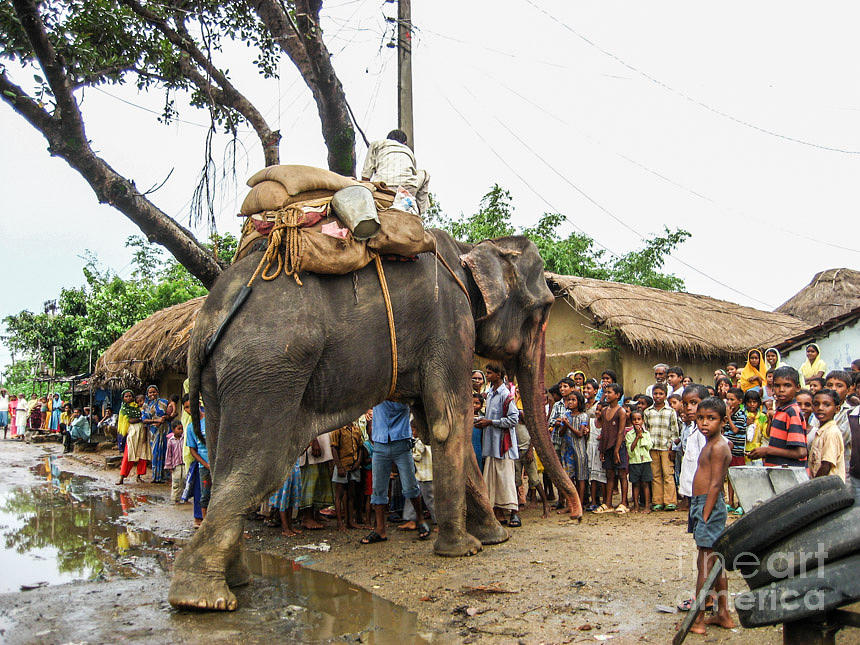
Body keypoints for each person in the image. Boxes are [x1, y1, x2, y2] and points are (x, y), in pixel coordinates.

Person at [689, 396, 734, 635]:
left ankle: (697, 619)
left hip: (709, 506)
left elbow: (717, 484)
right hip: (702, 503)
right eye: (700, 418)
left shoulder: (719, 447)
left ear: (723, 421)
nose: (704, 423)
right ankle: (723, 613)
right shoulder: (709, 443)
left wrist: (705, 514)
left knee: (705, 565)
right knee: (710, 561)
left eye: (711, 419)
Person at [361, 400, 429, 544]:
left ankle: (420, 520)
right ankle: (380, 530)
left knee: (410, 486)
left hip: (401, 442)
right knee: (378, 489)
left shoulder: (403, 393)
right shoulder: (379, 391)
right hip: (380, 443)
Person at [478, 364, 522, 527]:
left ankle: (514, 513)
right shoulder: (489, 394)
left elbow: (513, 419)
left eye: (489, 373)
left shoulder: (506, 395)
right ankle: (497, 513)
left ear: (498, 375)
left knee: (506, 480)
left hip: (504, 445)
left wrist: (491, 422)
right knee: (493, 480)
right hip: (491, 445)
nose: (487, 375)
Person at [748, 366, 807, 467]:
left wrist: (767, 451)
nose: (781, 390)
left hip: (788, 475)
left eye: (787, 385)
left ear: (797, 388)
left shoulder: (791, 412)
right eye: (777, 386)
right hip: (779, 473)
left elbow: (800, 452)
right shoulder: (780, 411)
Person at [361, 129, 430, 214]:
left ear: (387, 139)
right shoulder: (408, 151)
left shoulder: (376, 144)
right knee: (425, 174)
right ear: (404, 143)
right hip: (407, 189)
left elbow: (366, 176)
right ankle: (419, 213)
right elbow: (413, 174)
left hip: (383, 187)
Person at [644, 382, 680, 511]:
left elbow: (674, 432)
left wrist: (672, 448)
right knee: (655, 475)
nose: (658, 396)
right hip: (653, 448)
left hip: (666, 448)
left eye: (661, 394)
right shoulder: (648, 412)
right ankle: (657, 501)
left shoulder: (670, 412)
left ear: (665, 395)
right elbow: (645, 430)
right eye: (655, 393)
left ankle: (670, 501)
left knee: (668, 474)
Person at [595, 383, 627, 513]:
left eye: (609, 392)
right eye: (605, 392)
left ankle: (624, 502)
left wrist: (616, 450)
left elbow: (620, 432)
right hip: (607, 446)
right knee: (609, 474)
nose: (606, 395)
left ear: (618, 395)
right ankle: (607, 503)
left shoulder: (621, 412)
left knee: (622, 474)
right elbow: (604, 431)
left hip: (618, 447)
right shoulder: (604, 411)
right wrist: (602, 449)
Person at [329, 422, 364, 531]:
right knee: (339, 495)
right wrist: (339, 466)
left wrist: (358, 462)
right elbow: (334, 448)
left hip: (353, 465)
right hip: (342, 465)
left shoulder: (356, 429)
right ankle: (340, 522)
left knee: (351, 494)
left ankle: (350, 521)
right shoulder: (338, 429)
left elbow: (360, 448)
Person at [560, 390, 589, 510]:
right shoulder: (566, 415)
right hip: (567, 449)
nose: (570, 402)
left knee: (580, 477)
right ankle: (570, 505)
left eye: (573, 400)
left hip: (579, 450)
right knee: (568, 477)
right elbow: (561, 433)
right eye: (569, 400)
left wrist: (568, 425)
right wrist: (563, 425)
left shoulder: (583, 416)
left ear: (579, 402)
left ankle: (579, 504)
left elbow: (580, 434)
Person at [183, 394, 210, 519]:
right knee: (204, 495)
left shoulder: (210, 420)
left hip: (218, 464)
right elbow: (193, 450)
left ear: (199, 404)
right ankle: (205, 523)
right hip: (203, 465)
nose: (190, 410)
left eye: (191, 405)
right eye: (187, 408)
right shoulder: (190, 427)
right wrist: (206, 464)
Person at [808, 389, 845, 481]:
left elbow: (826, 465)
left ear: (837, 409)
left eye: (827, 405)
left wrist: (813, 487)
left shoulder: (831, 432)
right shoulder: (821, 431)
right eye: (816, 404)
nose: (820, 408)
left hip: (828, 488)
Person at [117, 390, 150, 485]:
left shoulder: (139, 407)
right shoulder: (124, 409)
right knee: (128, 455)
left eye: (130, 396)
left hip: (142, 432)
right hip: (132, 433)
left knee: (143, 455)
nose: (128, 398)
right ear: (123, 398)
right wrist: (141, 419)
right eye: (126, 396)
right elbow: (130, 420)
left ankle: (139, 476)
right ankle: (122, 477)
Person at [723, 388, 748, 514]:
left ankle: (740, 502)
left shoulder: (741, 415)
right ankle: (730, 501)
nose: (729, 402)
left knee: (738, 477)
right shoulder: (730, 414)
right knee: (730, 477)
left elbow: (735, 430)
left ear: (739, 401)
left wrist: (728, 416)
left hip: (737, 451)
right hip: (728, 451)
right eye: (728, 399)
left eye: (732, 399)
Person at [825, 370, 854, 477]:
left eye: (839, 386)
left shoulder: (850, 413)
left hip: (841, 471)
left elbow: (838, 440)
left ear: (849, 390)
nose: (833, 389)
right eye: (829, 385)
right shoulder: (817, 410)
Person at [583, 379, 605, 511]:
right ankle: (590, 499)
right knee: (590, 474)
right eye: (584, 388)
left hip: (597, 443)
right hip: (587, 442)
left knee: (600, 474)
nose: (586, 390)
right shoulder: (583, 406)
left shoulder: (598, 406)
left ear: (596, 391)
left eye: (589, 388)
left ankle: (600, 499)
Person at [626, 410, 653, 513]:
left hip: (645, 461)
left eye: (639, 419)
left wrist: (641, 436)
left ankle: (647, 506)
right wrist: (637, 436)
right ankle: (636, 505)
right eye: (634, 419)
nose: (636, 421)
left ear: (642, 420)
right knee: (635, 484)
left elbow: (649, 446)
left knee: (645, 484)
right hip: (634, 462)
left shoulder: (646, 433)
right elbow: (630, 450)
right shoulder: (629, 434)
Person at [143, 385, 170, 484]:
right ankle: (156, 476)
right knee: (155, 453)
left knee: (165, 452)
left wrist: (164, 418)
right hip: (153, 432)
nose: (152, 394)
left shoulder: (164, 402)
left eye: (154, 392)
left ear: (157, 392)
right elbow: (144, 420)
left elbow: (170, 414)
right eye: (150, 392)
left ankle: (165, 476)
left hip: (165, 430)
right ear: (147, 394)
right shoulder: (146, 406)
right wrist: (155, 420)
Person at [269, 458, 303, 536]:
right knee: (283, 498)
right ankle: (285, 527)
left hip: (293, 466)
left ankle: (290, 525)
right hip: (283, 467)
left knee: (291, 497)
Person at [743, 389, 769, 463]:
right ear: (745, 403)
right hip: (744, 451)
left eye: (754, 402)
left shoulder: (762, 417)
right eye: (749, 402)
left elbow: (766, 435)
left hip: (758, 451)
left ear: (758, 403)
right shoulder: (743, 415)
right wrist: (746, 424)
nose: (752, 404)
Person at [165, 419, 186, 503]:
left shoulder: (184, 438)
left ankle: (183, 498)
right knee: (176, 483)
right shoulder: (171, 441)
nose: (181, 431)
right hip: (176, 465)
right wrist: (169, 466)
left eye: (181, 428)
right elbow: (168, 454)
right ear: (173, 430)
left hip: (184, 464)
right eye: (179, 429)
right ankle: (174, 499)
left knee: (184, 482)